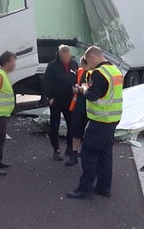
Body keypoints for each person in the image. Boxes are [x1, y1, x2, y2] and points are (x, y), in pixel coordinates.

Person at [67, 46, 123, 199]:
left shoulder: (99, 73)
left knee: (88, 154)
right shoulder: (115, 70)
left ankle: (84, 189)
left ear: (91, 58)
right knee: (105, 154)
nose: (87, 65)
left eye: (87, 61)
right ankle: (104, 188)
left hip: (100, 120)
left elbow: (92, 95)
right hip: (113, 119)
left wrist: (82, 89)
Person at [42, 45, 79, 161]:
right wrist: (49, 96)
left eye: (68, 57)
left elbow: (77, 78)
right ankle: (56, 150)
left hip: (70, 99)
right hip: (56, 99)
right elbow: (45, 81)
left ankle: (69, 147)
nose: (66, 59)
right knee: (55, 125)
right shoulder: (52, 65)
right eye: (64, 57)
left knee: (72, 124)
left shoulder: (74, 64)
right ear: (60, 55)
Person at [65, 56, 90, 167]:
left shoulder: (95, 73)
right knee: (76, 131)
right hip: (79, 106)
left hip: (90, 108)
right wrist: (75, 89)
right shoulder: (79, 72)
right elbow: (73, 85)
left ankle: (86, 156)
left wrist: (82, 89)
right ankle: (74, 155)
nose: (83, 68)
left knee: (89, 134)